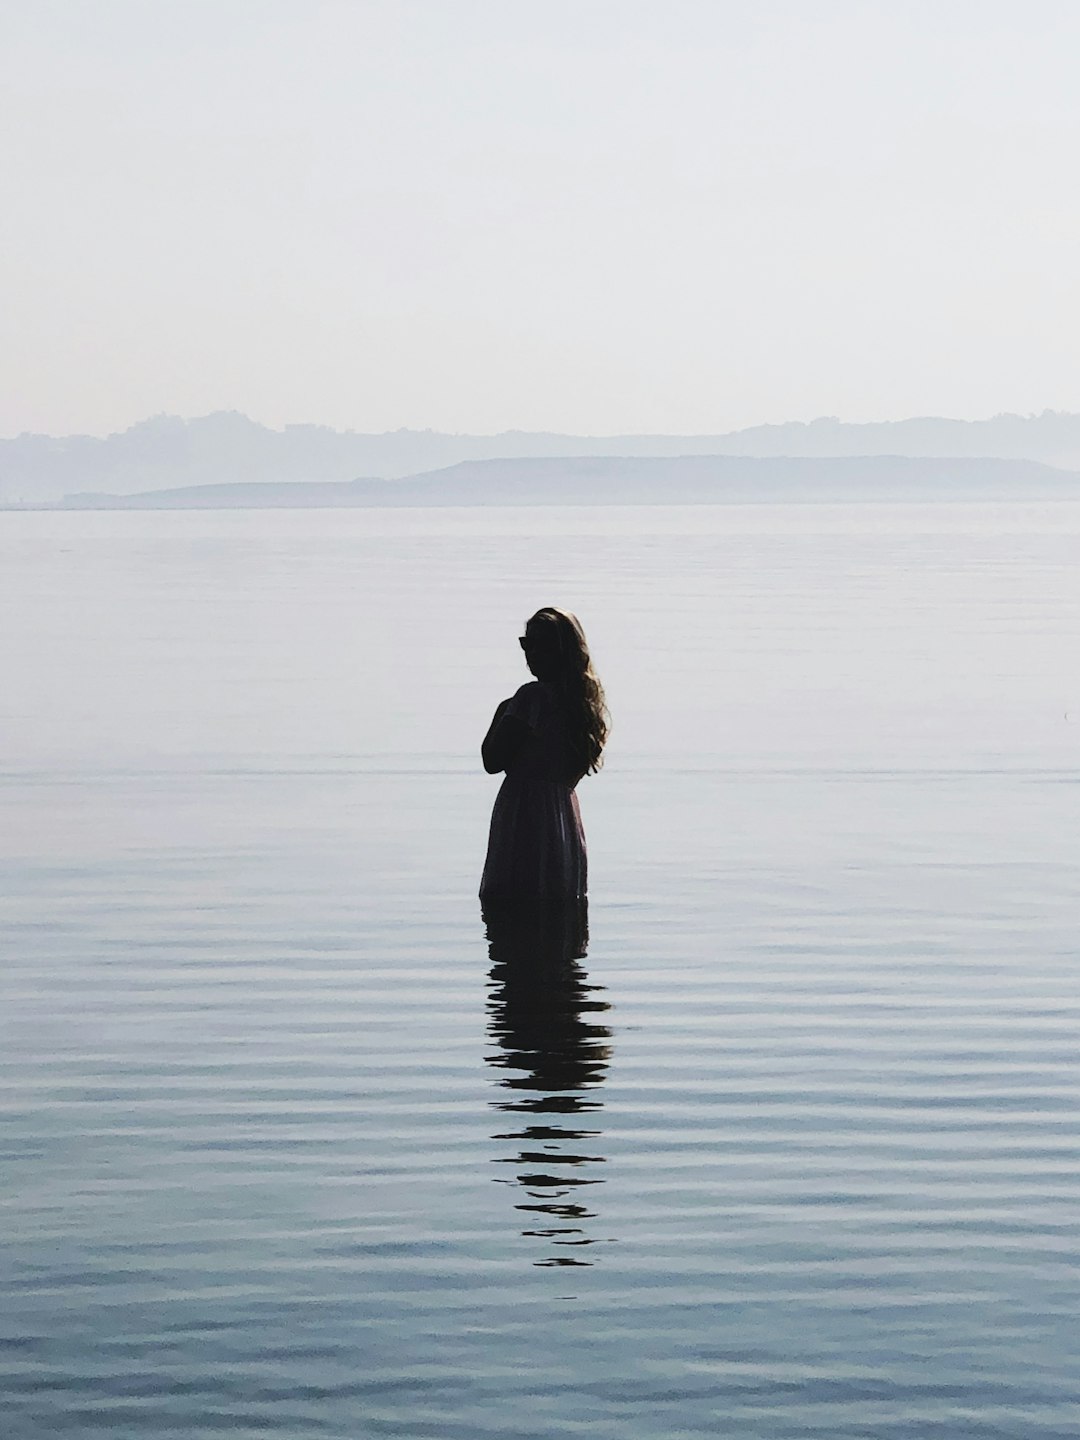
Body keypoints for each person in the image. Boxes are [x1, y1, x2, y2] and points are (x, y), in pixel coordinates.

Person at [479, 607, 608, 901]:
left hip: (523, 814)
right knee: (556, 904)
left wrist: (504, 710)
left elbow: (492, 760)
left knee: (510, 903)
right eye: (527, 644)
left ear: (561, 651)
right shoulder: (583, 709)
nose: (531, 653)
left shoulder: (530, 698)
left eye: (540, 646)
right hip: (563, 818)